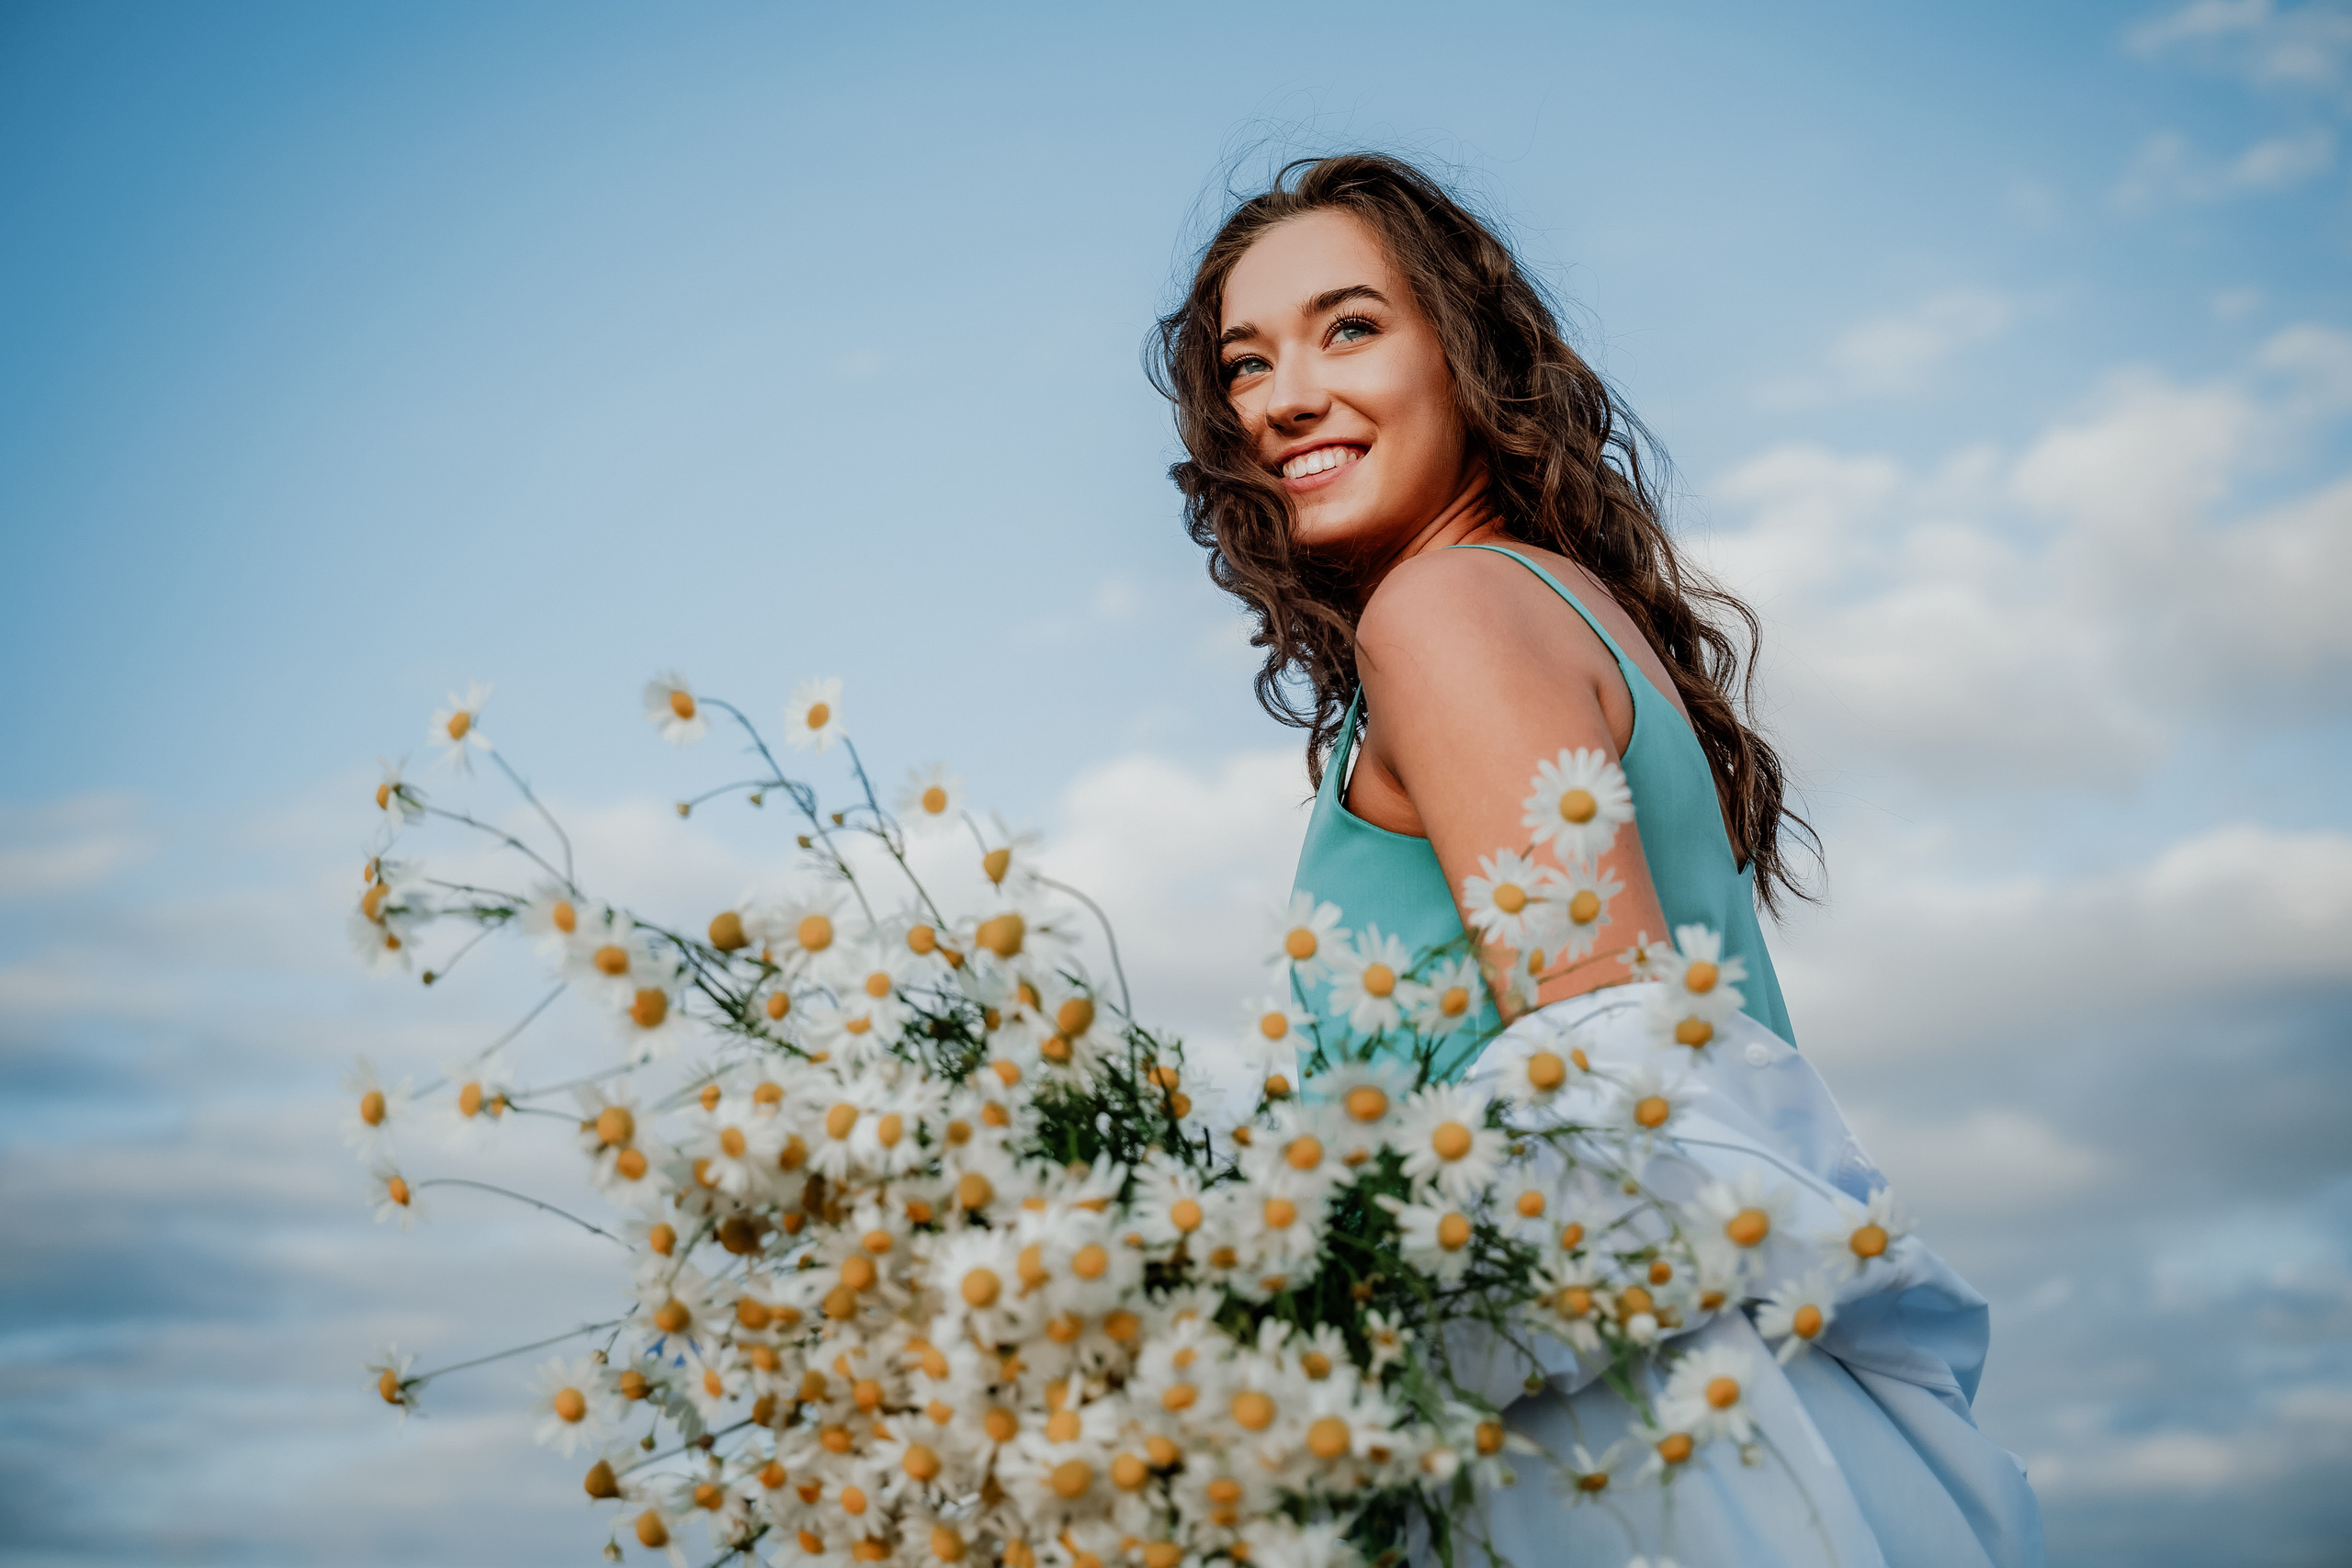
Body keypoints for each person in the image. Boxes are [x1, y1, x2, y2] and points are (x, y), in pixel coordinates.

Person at [1151, 153, 2044, 1568]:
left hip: (1607, 1454)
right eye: (1244, 365)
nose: (1283, 399)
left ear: (1467, 354)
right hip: (1697, 1394)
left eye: (1349, 328)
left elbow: (1607, 1105)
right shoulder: (1548, 608)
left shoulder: (1445, 612)